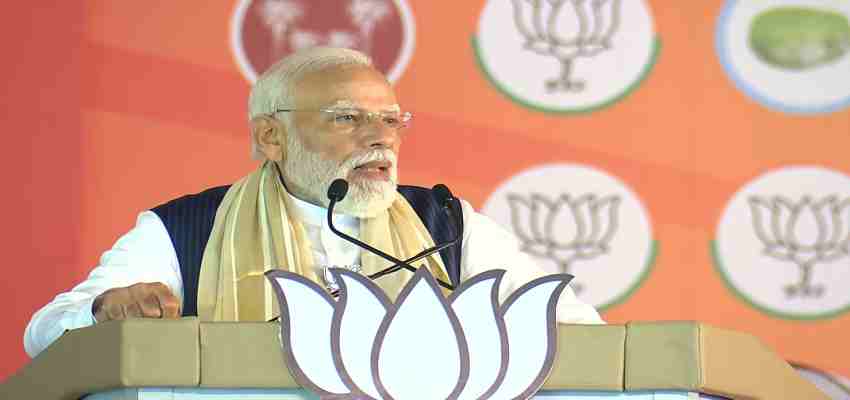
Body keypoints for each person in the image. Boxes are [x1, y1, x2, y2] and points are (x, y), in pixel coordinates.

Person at [24, 47, 602, 357]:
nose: (380, 138)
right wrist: (104, 311)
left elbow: (579, 331)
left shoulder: (447, 225)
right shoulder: (184, 228)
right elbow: (44, 333)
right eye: (347, 118)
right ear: (271, 137)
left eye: (390, 120)